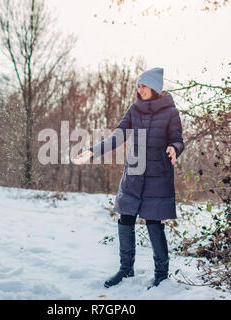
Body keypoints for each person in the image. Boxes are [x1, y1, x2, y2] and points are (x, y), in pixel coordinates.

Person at [74, 67, 184, 289]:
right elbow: (118, 135)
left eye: (143, 85)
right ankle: (126, 269)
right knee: (126, 218)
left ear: (154, 87)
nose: (139, 89)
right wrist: (93, 151)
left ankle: (161, 275)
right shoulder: (135, 109)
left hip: (158, 174)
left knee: (153, 221)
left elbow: (177, 139)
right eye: (139, 86)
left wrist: (174, 148)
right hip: (134, 173)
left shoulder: (170, 112)